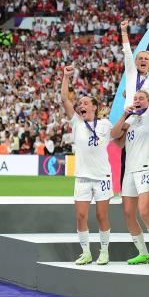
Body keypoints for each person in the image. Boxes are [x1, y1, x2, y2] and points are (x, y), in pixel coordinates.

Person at [61, 65, 112, 266]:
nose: (80, 105)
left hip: (102, 178)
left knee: (101, 216)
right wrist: (66, 77)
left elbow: (118, 135)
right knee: (81, 216)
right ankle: (86, 252)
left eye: (85, 103)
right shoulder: (77, 123)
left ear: (94, 107)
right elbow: (65, 99)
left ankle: (105, 252)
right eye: (79, 103)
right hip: (82, 177)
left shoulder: (105, 125)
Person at [110, 68, 149, 265]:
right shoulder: (129, 119)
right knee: (128, 213)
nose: (138, 100)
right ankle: (143, 252)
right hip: (129, 170)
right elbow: (115, 139)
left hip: (147, 168)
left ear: (148, 102)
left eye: (142, 98)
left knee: (145, 211)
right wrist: (124, 116)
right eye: (136, 98)